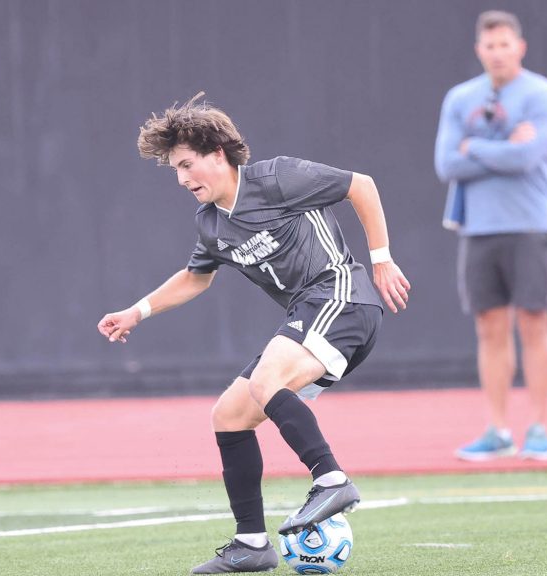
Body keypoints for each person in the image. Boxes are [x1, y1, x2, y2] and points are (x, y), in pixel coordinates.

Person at [98, 94, 410, 574]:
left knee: (268, 382)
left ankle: (331, 480)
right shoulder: (210, 223)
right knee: (229, 416)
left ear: (218, 153)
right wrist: (137, 311)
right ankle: (252, 544)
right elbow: (196, 277)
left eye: (187, 164)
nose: (182, 178)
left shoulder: (277, 178)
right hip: (310, 312)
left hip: (342, 297)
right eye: (175, 170)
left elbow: (360, 186)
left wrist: (382, 257)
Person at [434, 10, 547, 462]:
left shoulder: (542, 94)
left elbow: (530, 157)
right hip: (479, 227)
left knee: (534, 323)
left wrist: (478, 147)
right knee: (490, 329)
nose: (497, 52)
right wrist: (505, 146)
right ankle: (498, 429)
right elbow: (447, 163)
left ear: (519, 47)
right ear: (479, 50)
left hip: (530, 223)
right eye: (489, 45)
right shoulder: (460, 98)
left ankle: (540, 428)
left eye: (505, 44)